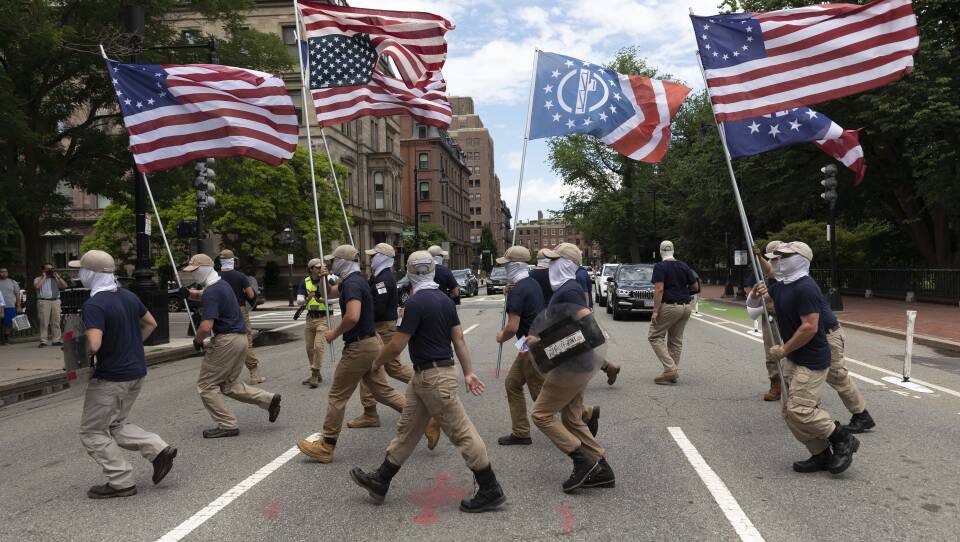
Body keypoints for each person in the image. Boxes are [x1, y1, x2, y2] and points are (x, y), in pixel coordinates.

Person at [350, 251, 505, 513]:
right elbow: (459, 340)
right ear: (433, 270)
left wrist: (376, 362)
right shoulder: (445, 300)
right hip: (427, 376)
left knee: (461, 432)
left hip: (433, 378)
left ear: (409, 272)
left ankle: (490, 487)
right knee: (408, 429)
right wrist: (468, 372)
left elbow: (397, 344)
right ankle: (381, 480)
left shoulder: (414, 303)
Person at [296, 245, 438, 463]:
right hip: (371, 342)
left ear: (343, 262)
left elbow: (352, 316)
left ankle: (327, 445)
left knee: (337, 395)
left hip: (359, 346)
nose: (331, 265)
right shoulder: (357, 280)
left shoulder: (353, 284)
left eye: (334, 262)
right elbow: (330, 294)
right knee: (382, 391)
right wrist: (325, 278)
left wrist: (334, 332)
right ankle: (425, 420)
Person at [68, 250, 177, 499]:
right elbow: (151, 323)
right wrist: (131, 344)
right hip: (135, 371)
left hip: (111, 377)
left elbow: (94, 344)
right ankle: (158, 449)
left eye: (81, 270)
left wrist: (76, 354)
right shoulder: (128, 296)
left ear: (91, 274)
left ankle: (121, 480)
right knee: (116, 424)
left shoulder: (94, 304)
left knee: (93, 431)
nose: (79, 275)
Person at [747, 241, 861, 474]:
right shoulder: (783, 286)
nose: (777, 261)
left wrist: (784, 349)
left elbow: (809, 327)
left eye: (783, 257)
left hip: (812, 359)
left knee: (800, 410)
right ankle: (819, 454)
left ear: (800, 259)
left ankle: (841, 437)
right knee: (789, 411)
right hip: (796, 358)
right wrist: (756, 295)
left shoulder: (806, 288)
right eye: (775, 257)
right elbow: (759, 307)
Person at [530, 243, 614, 493]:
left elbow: (588, 328)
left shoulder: (569, 291)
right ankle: (602, 468)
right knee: (572, 418)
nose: (550, 265)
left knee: (541, 415)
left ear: (566, 264)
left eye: (555, 261)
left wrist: (543, 340)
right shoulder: (568, 289)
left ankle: (583, 461)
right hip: (578, 363)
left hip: (570, 366)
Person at [496, 246, 600, 446]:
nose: (551, 265)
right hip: (529, 345)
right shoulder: (531, 283)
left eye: (507, 265)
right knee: (513, 384)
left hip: (533, 350)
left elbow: (512, 327)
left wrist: (501, 336)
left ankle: (582, 433)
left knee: (543, 404)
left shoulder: (562, 289)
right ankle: (521, 431)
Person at [346, 244, 439, 450]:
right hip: (381, 327)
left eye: (373, 256)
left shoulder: (383, 280)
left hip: (382, 328)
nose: (370, 259)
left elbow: (377, 309)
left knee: (389, 368)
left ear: (382, 258)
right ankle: (370, 412)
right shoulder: (379, 277)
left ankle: (424, 401)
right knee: (372, 370)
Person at [183, 254, 281, 438]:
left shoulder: (212, 291)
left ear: (203, 269)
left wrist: (197, 340)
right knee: (228, 385)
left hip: (225, 340)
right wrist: (189, 294)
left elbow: (206, 326)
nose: (193, 275)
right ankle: (268, 399)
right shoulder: (222, 285)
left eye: (194, 271)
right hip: (240, 339)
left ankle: (227, 424)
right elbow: (204, 295)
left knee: (206, 385)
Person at [532, 251, 620, 385]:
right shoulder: (572, 280)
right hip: (561, 323)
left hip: (566, 327)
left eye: (555, 261)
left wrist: (584, 313)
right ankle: (605, 369)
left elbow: (583, 305)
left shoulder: (571, 286)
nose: (552, 265)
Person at [648, 240, 697, 384]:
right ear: (673, 251)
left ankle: (670, 369)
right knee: (676, 340)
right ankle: (672, 372)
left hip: (670, 306)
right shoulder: (684, 265)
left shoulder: (660, 266)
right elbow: (694, 286)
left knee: (655, 336)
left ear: (661, 251)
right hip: (686, 307)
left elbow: (659, 289)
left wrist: (655, 310)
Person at [217, 250, 264, 385]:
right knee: (246, 339)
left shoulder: (216, 277)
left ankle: (225, 376)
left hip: (222, 310)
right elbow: (250, 295)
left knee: (224, 339)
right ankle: (254, 374)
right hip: (239, 309)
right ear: (233, 261)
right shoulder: (240, 276)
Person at [751, 241, 786, 401]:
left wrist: (758, 257)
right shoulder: (764, 275)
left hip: (790, 315)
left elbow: (774, 272)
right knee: (771, 349)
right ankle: (776, 384)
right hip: (771, 315)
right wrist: (755, 293)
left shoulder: (791, 268)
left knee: (793, 349)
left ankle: (793, 384)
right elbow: (752, 302)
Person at [297, 258, 331, 388]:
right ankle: (315, 373)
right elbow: (299, 300)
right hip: (310, 319)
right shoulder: (304, 282)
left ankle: (315, 374)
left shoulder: (327, 279)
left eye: (321, 266)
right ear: (311, 269)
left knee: (318, 347)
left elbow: (337, 298)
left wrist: (323, 300)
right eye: (317, 267)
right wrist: (307, 298)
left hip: (323, 319)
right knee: (309, 349)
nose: (320, 269)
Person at [33, 262, 68, 347]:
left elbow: (65, 286)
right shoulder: (38, 279)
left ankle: (56, 340)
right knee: (44, 321)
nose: (50, 270)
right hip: (44, 301)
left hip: (55, 301)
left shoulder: (56, 279)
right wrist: (44, 276)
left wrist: (58, 277)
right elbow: (37, 287)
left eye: (51, 268)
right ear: (43, 270)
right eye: (48, 269)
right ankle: (43, 341)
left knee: (56, 321)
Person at [0, 267, 22, 345]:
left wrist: (18, 306)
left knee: (8, 323)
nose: (3, 273)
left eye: (5, 272)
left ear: (7, 273)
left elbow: (17, 294)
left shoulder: (13, 282)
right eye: (1, 272)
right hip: (0, 306)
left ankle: (6, 339)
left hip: (10, 306)